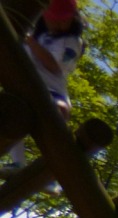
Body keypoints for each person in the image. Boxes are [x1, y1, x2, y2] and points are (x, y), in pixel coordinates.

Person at [6, 0, 85, 170]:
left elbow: (55, 66)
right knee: (10, 111)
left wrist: (30, 41)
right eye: (55, 20)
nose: (60, 25)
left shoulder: (72, 41)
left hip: (53, 91)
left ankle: (51, 170)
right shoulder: (37, 35)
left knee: (57, 112)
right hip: (26, 87)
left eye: (64, 20)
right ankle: (18, 162)